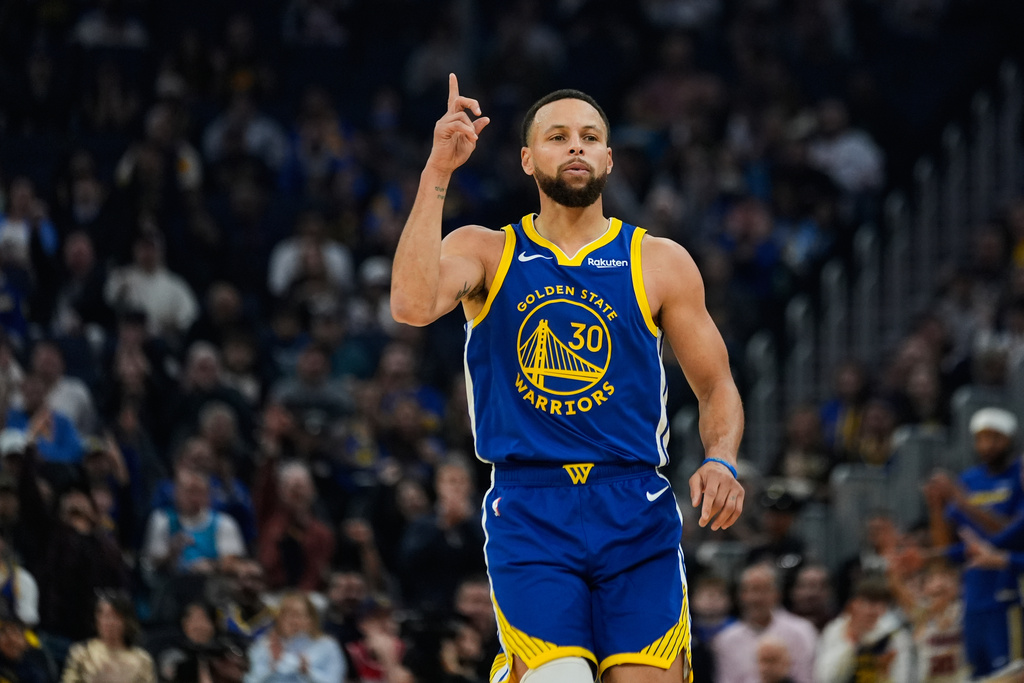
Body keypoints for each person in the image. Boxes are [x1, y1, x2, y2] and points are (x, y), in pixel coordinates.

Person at [391, 75, 744, 683]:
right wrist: (437, 174)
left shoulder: (659, 260)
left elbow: (716, 386)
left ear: (609, 156)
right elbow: (412, 305)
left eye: (590, 137)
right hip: (531, 508)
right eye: (557, 137)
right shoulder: (488, 250)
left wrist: (721, 459)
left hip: (635, 505)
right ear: (528, 159)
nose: (576, 147)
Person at [924, 406, 1024, 679]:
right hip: (972, 596)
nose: (986, 446)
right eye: (980, 438)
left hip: (1007, 597)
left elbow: (1010, 532)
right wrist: (936, 505)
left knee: (1009, 674)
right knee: (976, 676)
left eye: (994, 438)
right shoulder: (969, 479)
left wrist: (962, 501)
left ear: (1010, 440)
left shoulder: (1019, 475)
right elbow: (947, 546)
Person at [712, 564, 817, 683]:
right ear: (740, 596)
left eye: (762, 590)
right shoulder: (726, 640)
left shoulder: (801, 632)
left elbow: (807, 678)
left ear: (777, 594)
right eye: (749, 590)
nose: (755, 598)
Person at [244, 592, 345, 683]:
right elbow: (249, 679)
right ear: (279, 619)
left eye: (299, 615)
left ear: (311, 619)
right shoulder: (265, 644)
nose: (293, 621)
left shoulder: (328, 646)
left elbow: (336, 680)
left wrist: (307, 672)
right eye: (287, 615)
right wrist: (272, 665)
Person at [61, 591, 155, 683]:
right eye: (105, 616)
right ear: (97, 620)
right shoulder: (82, 654)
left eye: (115, 617)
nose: (110, 623)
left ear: (126, 621)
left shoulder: (142, 660)